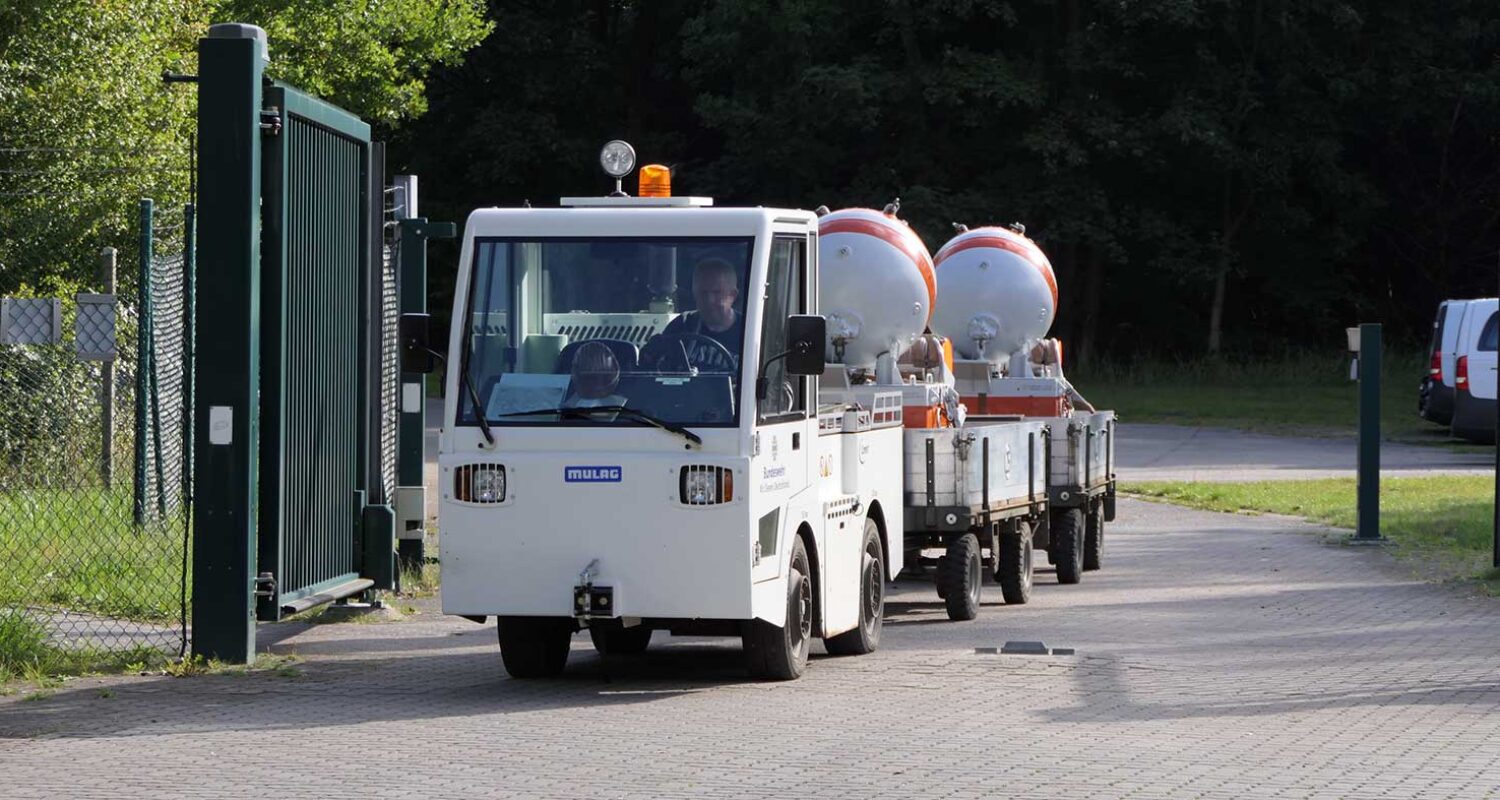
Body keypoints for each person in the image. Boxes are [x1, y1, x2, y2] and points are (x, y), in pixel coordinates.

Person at [655, 257, 743, 372]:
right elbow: (658, 371)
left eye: (717, 293)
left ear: (732, 295)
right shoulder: (682, 325)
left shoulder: (747, 332)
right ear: (694, 293)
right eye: (703, 293)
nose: (709, 300)